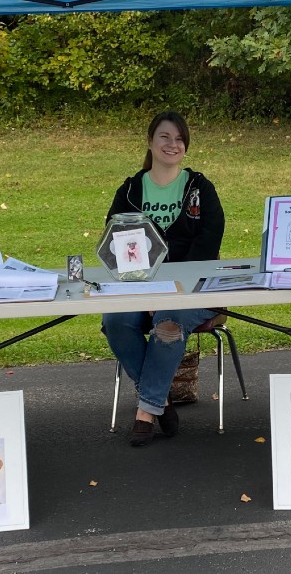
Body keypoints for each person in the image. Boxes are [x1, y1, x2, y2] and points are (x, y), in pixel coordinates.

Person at [102, 111, 225, 447]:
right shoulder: (130, 190)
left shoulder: (200, 187)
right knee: (115, 320)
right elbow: (114, 240)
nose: (173, 144)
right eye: (165, 137)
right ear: (150, 142)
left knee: (169, 322)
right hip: (138, 288)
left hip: (193, 291)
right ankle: (161, 401)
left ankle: (145, 413)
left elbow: (209, 242)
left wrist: (170, 290)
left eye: (179, 139)